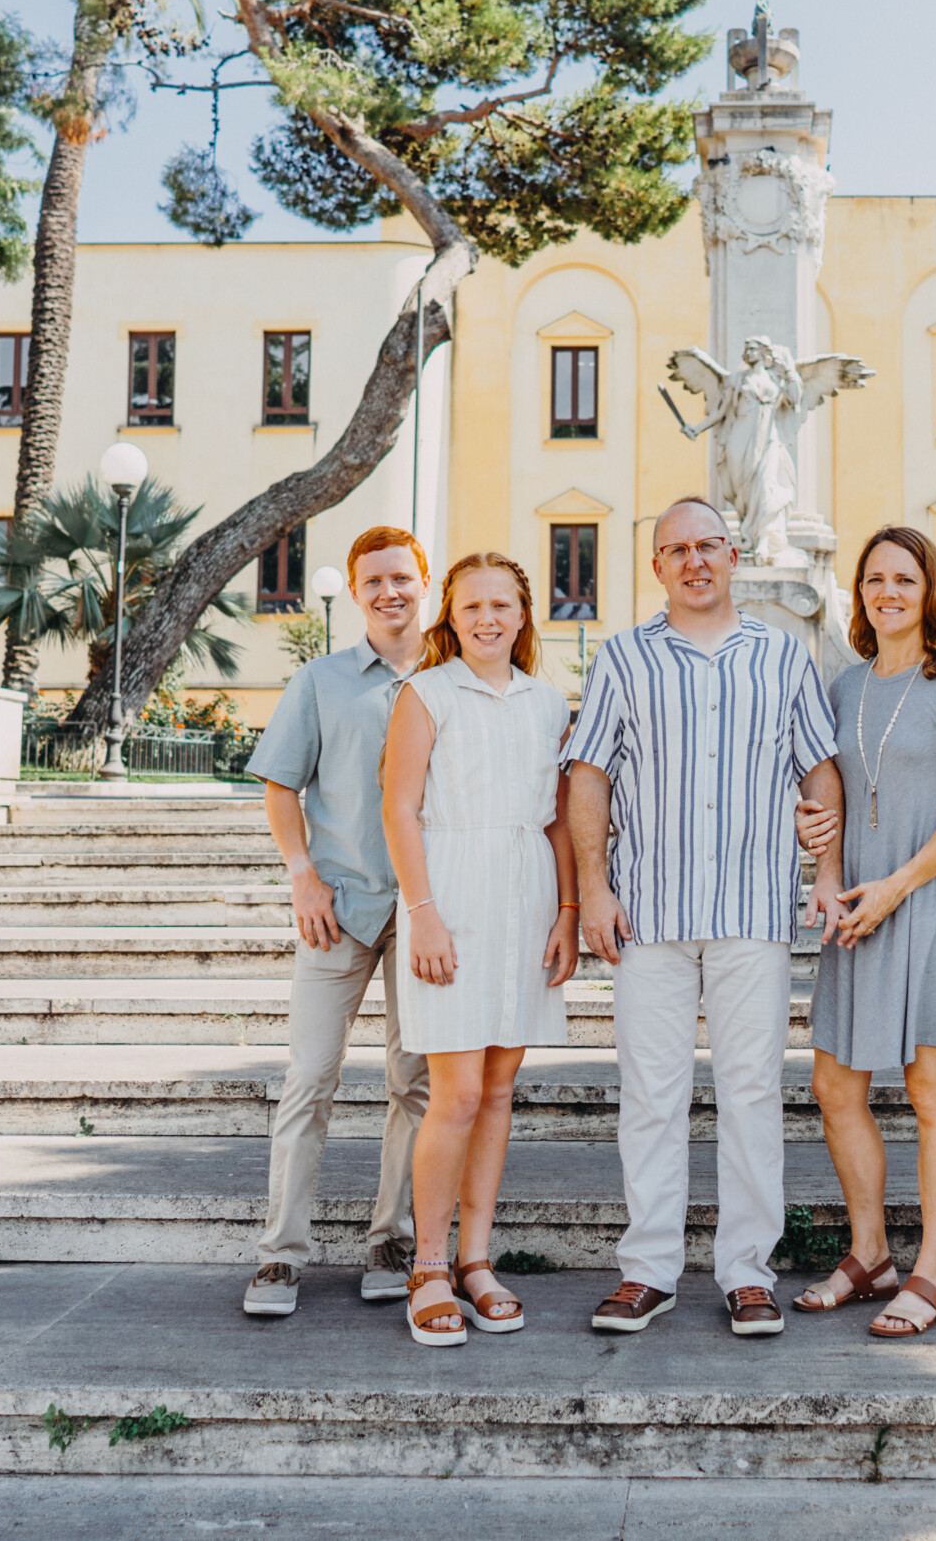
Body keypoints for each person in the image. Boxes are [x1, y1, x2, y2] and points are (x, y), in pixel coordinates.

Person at [563, 496, 842, 1338]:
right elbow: (588, 775)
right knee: (651, 1093)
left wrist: (825, 868)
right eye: (676, 549)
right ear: (657, 567)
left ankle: (747, 1273)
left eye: (708, 545)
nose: (694, 561)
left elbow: (820, 766)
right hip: (648, 910)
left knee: (752, 1092)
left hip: (752, 911)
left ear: (732, 555)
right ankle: (647, 1270)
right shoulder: (623, 658)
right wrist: (594, 885)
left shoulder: (784, 657)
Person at [787, 527, 936, 1338]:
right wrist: (831, 874)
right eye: (874, 579)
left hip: (931, 906)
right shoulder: (843, 688)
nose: (888, 591)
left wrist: (898, 887)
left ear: (929, 588)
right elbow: (828, 796)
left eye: (903, 578)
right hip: (857, 911)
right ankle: (870, 1252)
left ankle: (933, 1273)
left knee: (927, 1088)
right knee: (836, 1087)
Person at [379, 551, 577, 1346]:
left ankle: (475, 1259)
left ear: (525, 615)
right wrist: (422, 913)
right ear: (450, 618)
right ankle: (426, 1265)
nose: (488, 618)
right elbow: (399, 809)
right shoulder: (425, 693)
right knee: (454, 1093)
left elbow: (559, 816)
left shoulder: (548, 702)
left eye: (502, 604)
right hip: (449, 897)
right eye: (471, 607)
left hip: (525, 902)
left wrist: (565, 909)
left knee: (497, 1092)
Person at [241, 527, 432, 1319]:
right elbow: (281, 785)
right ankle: (280, 1255)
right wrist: (301, 875)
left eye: (402, 578)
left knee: (412, 1083)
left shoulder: (453, 677)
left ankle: (394, 1239)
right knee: (310, 1079)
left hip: (425, 913)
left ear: (426, 583)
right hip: (341, 907)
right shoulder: (320, 681)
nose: (389, 592)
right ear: (355, 594)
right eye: (373, 582)